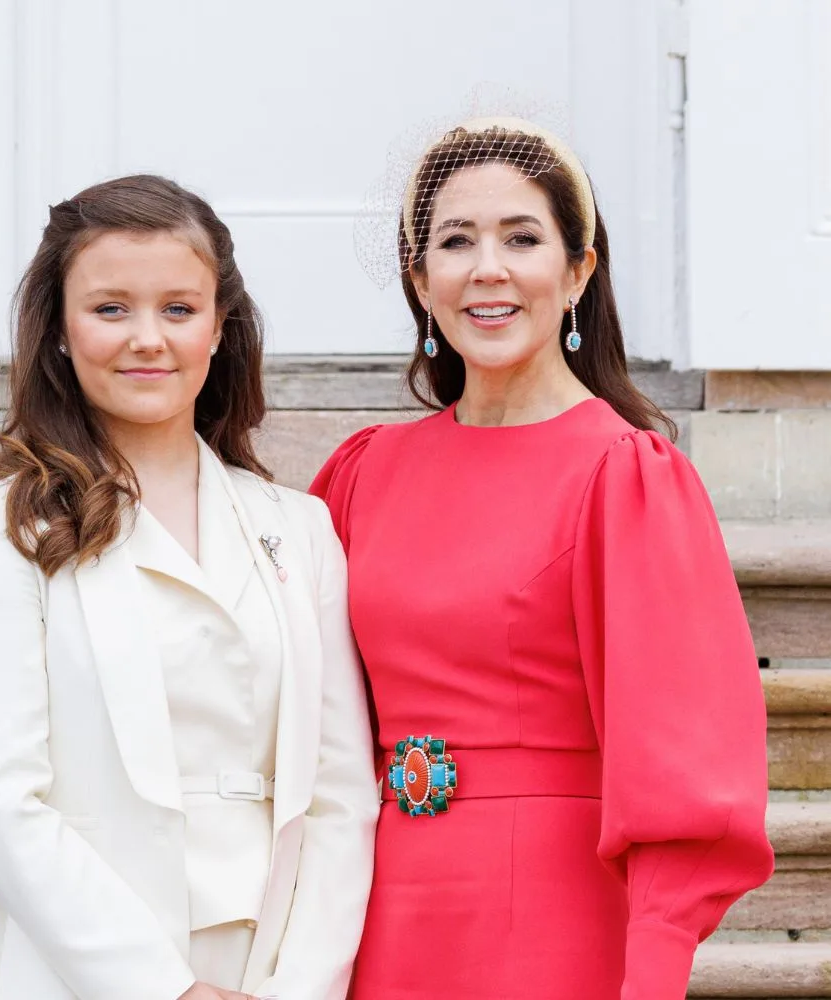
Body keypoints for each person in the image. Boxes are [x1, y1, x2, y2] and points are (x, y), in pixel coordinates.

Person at [311, 117, 774, 999]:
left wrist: (655, 963)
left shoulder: (627, 476)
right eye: (456, 241)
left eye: (522, 238)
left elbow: (686, 759)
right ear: (421, 279)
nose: (488, 267)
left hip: (553, 919)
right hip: (372, 906)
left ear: (578, 273)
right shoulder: (363, 474)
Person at [0, 174, 378, 1000]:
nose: (147, 339)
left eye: (178, 308)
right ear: (59, 331)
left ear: (220, 328)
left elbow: (342, 794)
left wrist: (300, 985)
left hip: (261, 964)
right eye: (109, 309)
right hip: (65, 970)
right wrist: (161, 989)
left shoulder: (299, 527)